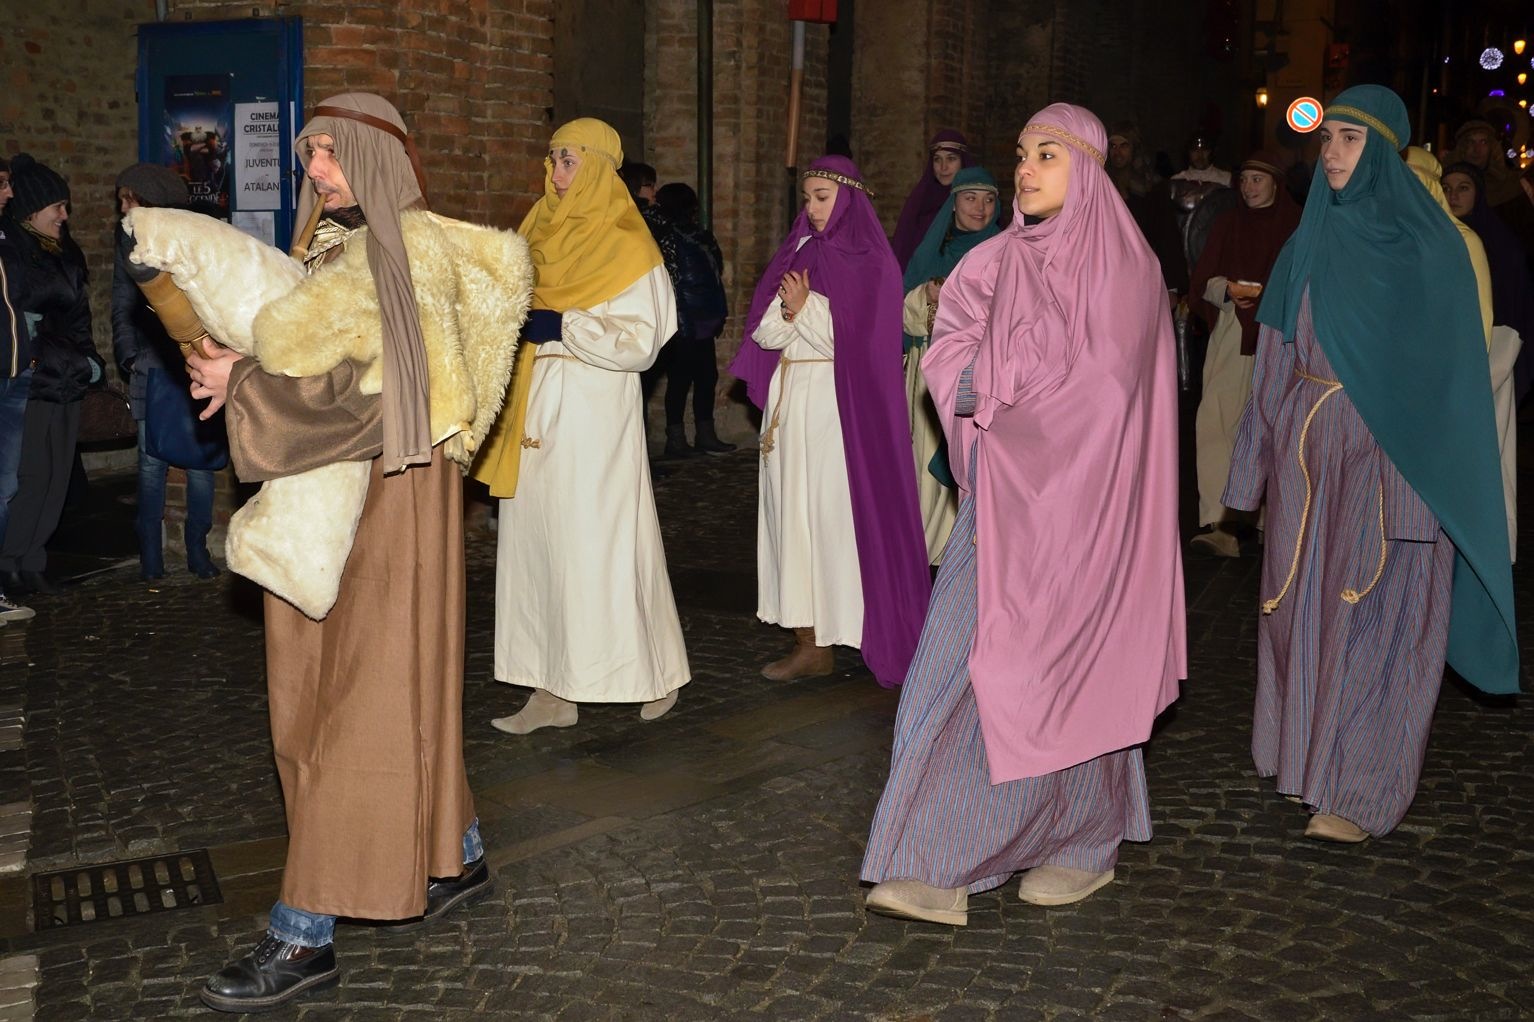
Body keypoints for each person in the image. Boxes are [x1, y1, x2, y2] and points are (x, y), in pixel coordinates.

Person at [185, 94, 489, 1012]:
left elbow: (371, 406)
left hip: (383, 509)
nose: (316, 167)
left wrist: (244, 385)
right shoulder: (341, 246)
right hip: (352, 501)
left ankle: (304, 929)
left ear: (379, 159)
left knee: (350, 705)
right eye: (311, 151)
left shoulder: (400, 255)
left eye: (333, 151)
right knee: (395, 687)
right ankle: (458, 853)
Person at [861, 104, 1185, 925]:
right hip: (1004, 506)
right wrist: (985, 382)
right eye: (1022, 153)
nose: (1026, 168)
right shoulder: (992, 262)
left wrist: (1008, 384)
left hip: (1090, 513)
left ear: (1089, 166)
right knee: (968, 667)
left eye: (1049, 154)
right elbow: (953, 354)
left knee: (1078, 672)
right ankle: (938, 860)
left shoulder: (1127, 269)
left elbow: (1110, 392)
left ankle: (1083, 840)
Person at [1223, 85, 1517, 846]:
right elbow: (1275, 362)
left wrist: (1426, 484)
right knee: (1298, 613)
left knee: (1377, 621)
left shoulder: (1434, 251)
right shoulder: (1308, 242)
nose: (1332, 152)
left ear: (1384, 151)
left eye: (1350, 139)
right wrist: (1251, 472)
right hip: (1306, 462)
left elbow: (1450, 385)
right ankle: (1304, 763)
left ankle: (1360, 789)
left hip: (1391, 472)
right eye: (1327, 140)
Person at [474, 118, 690, 733]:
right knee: (538, 546)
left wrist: (566, 326)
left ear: (596, 166)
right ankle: (551, 690)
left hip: (595, 408)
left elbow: (645, 341)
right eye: (553, 160)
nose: (556, 172)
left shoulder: (628, 242)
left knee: (602, 543)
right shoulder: (536, 227)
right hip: (535, 404)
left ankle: (653, 671)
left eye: (569, 161)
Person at [730, 155, 931, 686]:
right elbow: (765, 334)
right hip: (789, 402)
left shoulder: (872, 261)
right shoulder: (795, 251)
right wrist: (793, 311)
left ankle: (852, 628)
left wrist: (807, 310)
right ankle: (808, 638)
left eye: (823, 197)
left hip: (836, 410)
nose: (813, 208)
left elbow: (865, 345)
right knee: (788, 517)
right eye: (808, 198)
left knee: (829, 518)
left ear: (847, 199)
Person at [1186, 151, 1301, 557]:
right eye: (1246, 179)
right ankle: (1224, 522)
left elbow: (1304, 280)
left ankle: (1275, 523)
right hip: (1232, 330)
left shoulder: (1295, 225)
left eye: (1258, 179)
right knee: (1218, 418)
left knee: (1276, 427)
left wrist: (1268, 296)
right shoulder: (1228, 223)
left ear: (1274, 183)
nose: (1250, 187)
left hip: (1280, 334)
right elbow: (1203, 277)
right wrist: (1226, 290)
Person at [111, 163, 221, 580]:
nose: (121, 207)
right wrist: (131, 357)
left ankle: (197, 551)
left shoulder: (194, 239)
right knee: (151, 464)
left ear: (150, 200)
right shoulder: (128, 245)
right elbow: (121, 305)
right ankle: (150, 559)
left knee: (201, 465)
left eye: (128, 198)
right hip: (152, 367)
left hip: (197, 363)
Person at [0, 154, 102, 599]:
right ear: (31, 210)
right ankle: (9, 561)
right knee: (29, 474)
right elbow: (18, 316)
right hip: (33, 377)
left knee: (58, 475)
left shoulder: (67, 253)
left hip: (69, 376)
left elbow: (79, 315)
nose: (64, 215)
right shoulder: (13, 251)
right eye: (56, 206)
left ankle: (34, 560)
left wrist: (90, 361)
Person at [899, 167, 1000, 562]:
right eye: (970, 197)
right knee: (924, 462)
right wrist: (927, 295)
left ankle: (958, 551)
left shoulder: (1005, 251)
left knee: (966, 458)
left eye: (989, 199)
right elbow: (902, 312)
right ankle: (923, 550)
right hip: (926, 372)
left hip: (977, 371)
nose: (980, 207)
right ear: (953, 203)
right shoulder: (931, 253)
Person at [654, 181, 735, 455]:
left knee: (703, 377)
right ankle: (677, 440)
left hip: (698, 317)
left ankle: (703, 435)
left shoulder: (685, 236)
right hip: (686, 317)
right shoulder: (673, 237)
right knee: (683, 379)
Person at [1445, 161, 1534, 401]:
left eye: (1463, 188)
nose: (1453, 195)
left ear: (1478, 194)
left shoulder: (1500, 242)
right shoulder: (1436, 236)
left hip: (1491, 353)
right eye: (1446, 188)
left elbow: (1513, 301)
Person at [0, 157, 35, 625]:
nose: (9, 194)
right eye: (3, 185)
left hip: (14, 375)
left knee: (5, 488)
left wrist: (30, 351)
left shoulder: (8, 236)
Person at [1107, 121, 1186, 297]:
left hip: (1142, 275)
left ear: (1134, 149)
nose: (1117, 152)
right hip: (1108, 273)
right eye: (1113, 146)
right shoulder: (1103, 184)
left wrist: (1171, 287)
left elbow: (1167, 237)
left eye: (1124, 146)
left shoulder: (1152, 188)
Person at [890, 130, 977, 270]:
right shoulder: (920, 202)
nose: (943, 167)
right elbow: (902, 250)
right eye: (937, 159)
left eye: (951, 159)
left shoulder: (979, 203)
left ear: (963, 162)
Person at [1449, 119, 1521, 207]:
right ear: (1461, 148)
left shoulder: (1510, 185)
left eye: (1483, 142)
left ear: (1492, 147)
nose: (1477, 149)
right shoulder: (1447, 185)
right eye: (1471, 142)